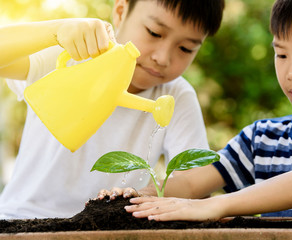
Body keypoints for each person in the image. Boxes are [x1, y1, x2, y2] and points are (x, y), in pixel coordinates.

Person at [109, 0, 292, 221]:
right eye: (281, 54)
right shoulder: (261, 139)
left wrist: (215, 205)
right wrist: (139, 195)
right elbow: (193, 182)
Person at [0, 0, 224, 219]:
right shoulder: (73, 56)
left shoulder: (176, 96)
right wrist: (56, 30)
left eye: (185, 48)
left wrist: (141, 196)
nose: (162, 58)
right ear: (120, 11)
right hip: (19, 220)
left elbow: (195, 183)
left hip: (108, 227)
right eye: (154, 33)